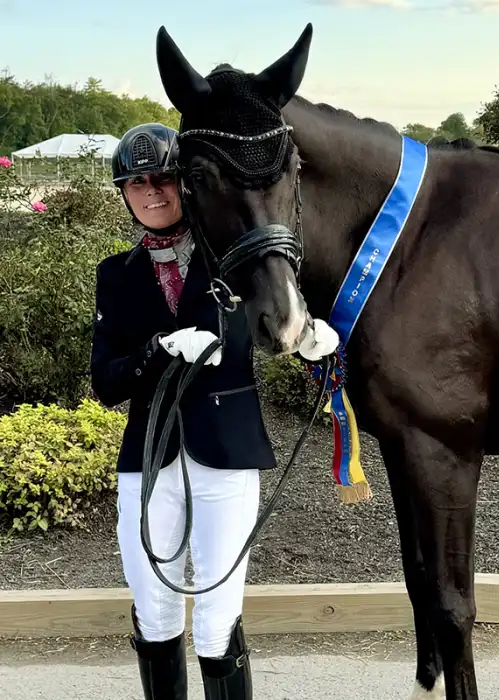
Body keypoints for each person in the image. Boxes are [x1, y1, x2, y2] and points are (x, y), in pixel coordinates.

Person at [90, 122, 339, 700]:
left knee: (217, 614)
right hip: (149, 458)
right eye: (136, 183)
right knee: (153, 609)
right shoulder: (115, 275)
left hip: (225, 453)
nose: (152, 192)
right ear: (125, 194)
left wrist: (309, 341)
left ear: (184, 183)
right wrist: (157, 350)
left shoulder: (236, 261)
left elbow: (277, 321)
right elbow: (105, 382)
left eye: (161, 179)